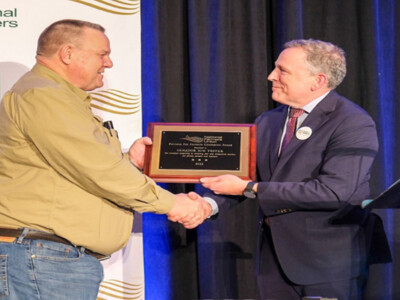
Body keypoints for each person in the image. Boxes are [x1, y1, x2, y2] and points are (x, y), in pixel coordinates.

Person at [0, 19, 211, 300]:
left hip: (47, 258)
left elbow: (75, 167)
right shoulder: (43, 95)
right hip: (43, 258)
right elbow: (98, 170)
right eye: (103, 54)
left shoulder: (57, 97)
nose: (109, 64)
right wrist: (173, 204)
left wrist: (130, 161)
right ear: (68, 53)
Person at [200, 39, 390, 299]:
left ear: (318, 81)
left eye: (282, 71)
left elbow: (334, 192)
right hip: (273, 262)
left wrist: (251, 188)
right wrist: (207, 205)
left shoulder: (353, 122)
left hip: (328, 264)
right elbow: (245, 178)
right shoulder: (268, 121)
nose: (271, 76)